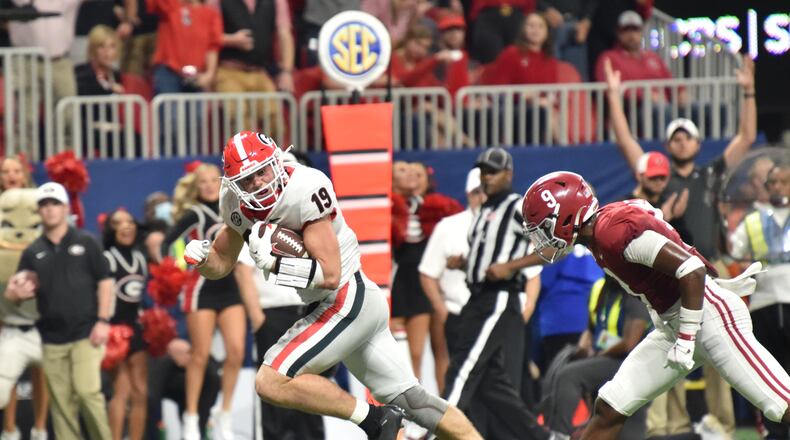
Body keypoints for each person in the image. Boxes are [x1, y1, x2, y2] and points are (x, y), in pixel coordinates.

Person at [183, 131, 482, 440]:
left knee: (270, 381)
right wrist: (204, 259)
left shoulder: (305, 187)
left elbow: (330, 274)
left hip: (346, 297)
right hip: (341, 302)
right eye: (248, 179)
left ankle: (375, 420)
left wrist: (276, 264)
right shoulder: (234, 201)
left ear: (276, 160)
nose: (259, 182)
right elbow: (222, 260)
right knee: (414, 401)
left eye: (262, 171)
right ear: (234, 184)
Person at [520, 171, 790, 440]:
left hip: (709, 316)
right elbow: (651, 216)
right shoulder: (604, 230)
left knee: (781, 404)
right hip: (673, 323)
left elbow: (692, 270)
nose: (541, 238)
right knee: (610, 407)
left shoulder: (612, 232)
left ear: (568, 216)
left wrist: (686, 337)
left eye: (544, 226)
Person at [605, 55, 756, 433]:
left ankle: (719, 424)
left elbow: (747, 138)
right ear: (668, 145)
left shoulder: (710, 175)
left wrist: (749, 92)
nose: (681, 140)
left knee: (721, 348)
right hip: (662, 272)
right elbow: (625, 142)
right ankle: (672, 425)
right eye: (675, 136)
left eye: (686, 135)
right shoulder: (659, 177)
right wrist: (613, 97)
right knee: (667, 345)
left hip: (706, 269)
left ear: (698, 142)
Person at [441, 147, 556, 439]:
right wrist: (466, 264)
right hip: (478, 296)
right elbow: (489, 254)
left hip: (498, 296)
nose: (486, 178)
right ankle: (543, 437)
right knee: (492, 384)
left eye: (492, 172)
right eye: (483, 172)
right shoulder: (486, 210)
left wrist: (511, 266)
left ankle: (435, 431)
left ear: (509, 174)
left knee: (462, 368)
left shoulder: (518, 206)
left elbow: (555, 246)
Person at [5, 182, 113, 440]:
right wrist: (14, 294)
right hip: (51, 338)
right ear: (38, 212)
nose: (50, 210)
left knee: (88, 393)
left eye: (55, 204)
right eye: (44, 205)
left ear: (65, 208)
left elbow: (105, 281)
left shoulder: (86, 242)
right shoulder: (33, 251)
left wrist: (103, 320)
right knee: (62, 404)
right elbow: (15, 291)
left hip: (85, 333)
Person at [161, 163, 247, 440]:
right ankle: (191, 417)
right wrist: (173, 269)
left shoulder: (233, 211)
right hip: (201, 288)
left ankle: (224, 415)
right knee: (200, 355)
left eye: (214, 180)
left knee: (235, 351)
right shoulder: (195, 214)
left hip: (231, 286)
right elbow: (166, 243)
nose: (210, 185)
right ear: (196, 187)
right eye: (204, 182)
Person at [236, 224, 325, 440]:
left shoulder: (308, 225)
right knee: (271, 386)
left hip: (307, 312)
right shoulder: (256, 227)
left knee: (310, 383)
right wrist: (257, 317)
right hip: (272, 314)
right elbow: (242, 271)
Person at [542, 273, 651, 438]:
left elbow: (629, 344)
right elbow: (591, 328)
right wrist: (583, 346)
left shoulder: (635, 294)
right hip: (605, 358)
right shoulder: (601, 288)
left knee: (570, 375)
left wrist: (598, 355)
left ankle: (559, 434)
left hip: (629, 363)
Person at [729, 163, 790, 439]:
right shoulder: (753, 219)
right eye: (772, 183)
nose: (777, 187)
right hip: (763, 304)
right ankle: (772, 430)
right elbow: (733, 250)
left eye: (783, 182)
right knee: (769, 371)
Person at [0, 158, 46, 440]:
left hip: (39, 300)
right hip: (2, 300)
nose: (11, 175)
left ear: (24, 175)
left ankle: (40, 429)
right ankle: (10, 429)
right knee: (6, 368)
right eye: (5, 172)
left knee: (43, 370)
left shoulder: (41, 204)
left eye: (16, 171)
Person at [101, 209, 148, 440]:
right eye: (118, 223)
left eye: (130, 221)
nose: (126, 227)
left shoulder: (141, 258)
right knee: (122, 391)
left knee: (140, 392)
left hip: (136, 329)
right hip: (113, 330)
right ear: (111, 229)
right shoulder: (107, 258)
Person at [537, 0, 597, 80]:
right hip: (549, 24)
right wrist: (546, 9)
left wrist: (586, 19)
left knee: (578, 77)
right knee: (552, 76)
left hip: (576, 25)